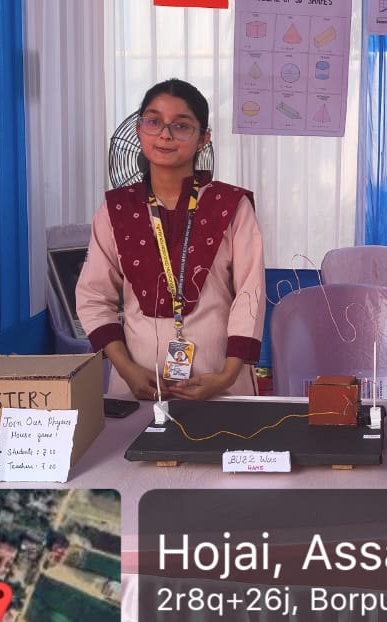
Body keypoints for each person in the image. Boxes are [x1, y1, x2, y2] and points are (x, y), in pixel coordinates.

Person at [77, 79, 265, 400]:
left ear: (203, 138)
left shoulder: (231, 205)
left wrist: (226, 376)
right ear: (139, 129)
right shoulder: (116, 209)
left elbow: (251, 295)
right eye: (154, 122)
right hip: (137, 385)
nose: (165, 135)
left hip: (220, 383)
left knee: (221, 435)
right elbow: (93, 296)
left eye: (181, 126)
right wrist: (126, 368)